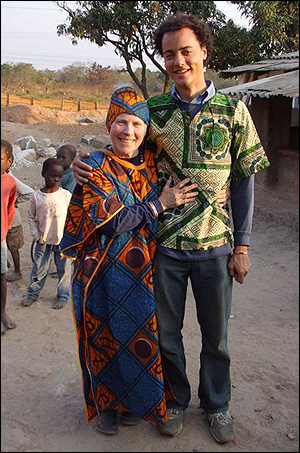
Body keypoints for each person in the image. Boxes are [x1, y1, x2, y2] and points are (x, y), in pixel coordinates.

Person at [72, 13, 270, 444]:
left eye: (185, 51)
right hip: (163, 247)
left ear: (203, 51)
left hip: (216, 246)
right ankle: (175, 400)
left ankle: (217, 405)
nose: (178, 61)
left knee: (216, 338)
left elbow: (244, 181)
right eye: (169, 54)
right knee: (166, 333)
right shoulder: (155, 110)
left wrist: (244, 246)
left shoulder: (234, 110)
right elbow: (121, 144)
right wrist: (81, 163)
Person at [60, 86, 201, 436]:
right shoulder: (94, 165)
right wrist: (159, 205)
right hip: (101, 272)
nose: (128, 131)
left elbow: (198, 169)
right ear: (109, 123)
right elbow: (111, 221)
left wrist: (223, 185)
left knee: (140, 339)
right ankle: (107, 406)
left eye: (137, 123)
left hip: (145, 272)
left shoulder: (155, 161)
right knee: (104, 336)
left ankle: (136, 403)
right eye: (121, 121)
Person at [22, 158, 72, 310]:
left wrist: (70, 235)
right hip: (43, 240)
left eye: (59, 176)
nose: (56, 179)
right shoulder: (36, 197)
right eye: (52, 176)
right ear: (43, 174)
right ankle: (33, 294)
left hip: (62, 240)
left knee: (64, 270)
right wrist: (36, 235)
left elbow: (73, 216)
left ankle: (62, 296)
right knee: (39, 268)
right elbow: (30, 217)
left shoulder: (65, 195)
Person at [1, 139, 17, 335]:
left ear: (9, 162)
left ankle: (2, 312)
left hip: (0, 239)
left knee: (2, 278)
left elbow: (10, 208)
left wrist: (6, 228)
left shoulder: (10, 183)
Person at [6, 172, 34, 282]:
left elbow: (29, 193)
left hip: (11, 219)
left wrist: (14, 202)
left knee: (13, 246)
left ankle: (18, 271)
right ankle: (6, 263)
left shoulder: (10, 178)